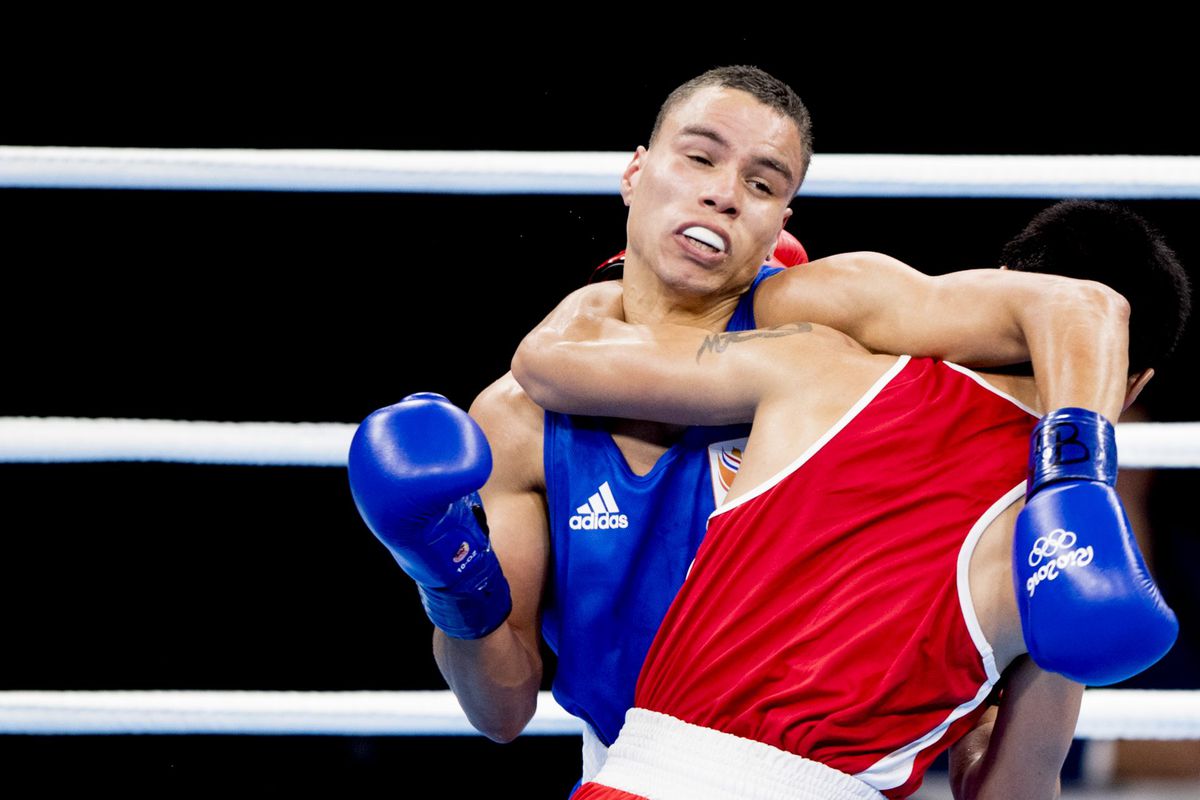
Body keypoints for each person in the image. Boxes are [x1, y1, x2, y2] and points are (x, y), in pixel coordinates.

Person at [347, 66, 1135, 786]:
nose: (724, 194)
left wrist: (1075, 489)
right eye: (700, 158)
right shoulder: (522, 415)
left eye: (762, 183)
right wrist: (447, 571)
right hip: (627, 770)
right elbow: (502, 712)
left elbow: (1077, 304)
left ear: (779, 220)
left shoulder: (825, 323)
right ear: (635, 171)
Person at [509, 200, 1189, 799]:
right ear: (1135, 386)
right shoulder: (1059, 557)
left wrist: (602, 290)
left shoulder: (816, 362)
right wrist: (1075, 492)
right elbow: (1005, 787)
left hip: (625, 775)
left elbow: (553, 363)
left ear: (996, 289)